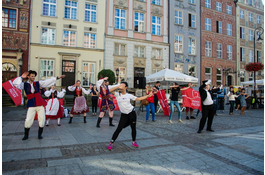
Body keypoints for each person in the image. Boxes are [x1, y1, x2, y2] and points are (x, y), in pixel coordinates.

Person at [13, 70, 65, 140]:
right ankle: (26, 135)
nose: (33, 77)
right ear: (28, 77)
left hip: (39, 103)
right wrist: (21, 77)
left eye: (34, 76)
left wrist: (57, 78)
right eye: (32, 76)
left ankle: (39, 134)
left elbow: (46, 82)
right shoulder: (24, 85)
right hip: (31, 104)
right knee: (28, 120)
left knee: (42, 119)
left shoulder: (37, 83)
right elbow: (15, 84)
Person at [107, 82, 153, 150]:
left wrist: (148, 96)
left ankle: (134, 141)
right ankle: (111, 142)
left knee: (133, 127)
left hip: (132, 113)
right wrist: (118, 86)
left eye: (123, 86)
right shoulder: (117, 95)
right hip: (124, 115)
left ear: (126, 87)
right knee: (119, 128)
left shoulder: (129, 95)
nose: (121, 87)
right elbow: (110, 90)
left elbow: (138, 99)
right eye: (120, 85)